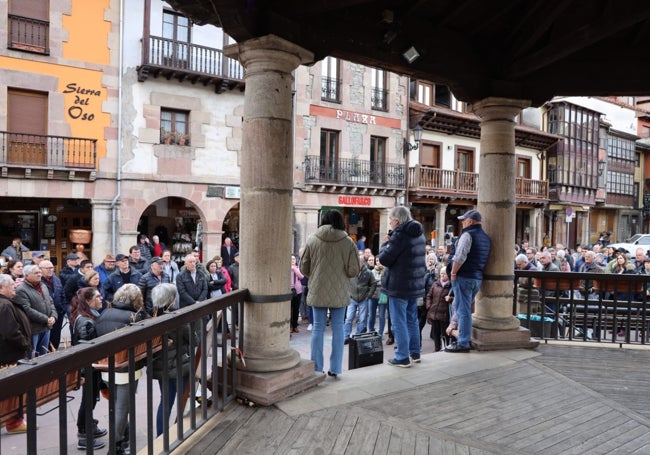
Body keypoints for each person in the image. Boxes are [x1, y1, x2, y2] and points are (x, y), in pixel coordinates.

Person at [300, 209, 359, 378]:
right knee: (338, 327)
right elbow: (353, 270)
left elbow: (304, 267)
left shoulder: (312, 239)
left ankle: (317, 367)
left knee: (318, 328)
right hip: (339, 291)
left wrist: (317, 275)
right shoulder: (348, 242)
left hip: (318, 289)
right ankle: (336, 368)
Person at [94, 284, 148, 455]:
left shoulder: (104, 313)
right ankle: (116, 446)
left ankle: (123, 436)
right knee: (122, 407)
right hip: (126, 367)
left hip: (107, 366)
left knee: (116, 404)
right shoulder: (134, 316)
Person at [378, 206, 426, 367]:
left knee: (398, 321)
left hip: (399, 285)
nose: (390, 223)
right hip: (414, 284)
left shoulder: (399, 235)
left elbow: (385, 259)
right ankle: (414, 352)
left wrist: (385, 244)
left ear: (397, 221)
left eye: (390, 219)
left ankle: (402, 356)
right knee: (412, 319)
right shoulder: (419, 234)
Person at [149, 283, 193, 437]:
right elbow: (193, 339)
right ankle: (183, 432)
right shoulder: (178, 318)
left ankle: (160, 436)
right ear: (172, 299)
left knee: (165, 401)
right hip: (180, 365)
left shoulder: (152, 316)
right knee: (184, 399)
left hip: (161, 367)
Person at [446, 209, 491, 354]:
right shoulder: (485, 237)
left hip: (464, 277)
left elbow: (460, 256)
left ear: (470, 221)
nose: (463, 223)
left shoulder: (467, 235)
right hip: (476, 278)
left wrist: (453, 272)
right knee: (462, 308)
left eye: (464, 220)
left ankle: (463, 342)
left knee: (462, 310)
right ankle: (464, 339)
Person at [70, 287, 106, 451]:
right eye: (98, 296)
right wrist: (83, 374)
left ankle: (90, 426)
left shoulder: (91, 316)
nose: (102, 298)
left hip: (92, 367)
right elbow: (84, 349)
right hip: (88, 368)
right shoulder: (86, 321)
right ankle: (83, 435)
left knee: (90, 399)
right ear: (89, 301)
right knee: (88, 400)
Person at [0, 273, 33, 434]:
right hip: (10, 355)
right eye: (11, 284)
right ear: (1, 287)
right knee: (14, 390)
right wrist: (25, 345)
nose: (15, 286)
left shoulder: (6, 302)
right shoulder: (4, 305)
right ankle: (14, 422)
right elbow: (11, 332)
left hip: (8, 354)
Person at [14, 264, 57, 356]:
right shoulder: (21, 290)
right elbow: (26, 310)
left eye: (40, 272)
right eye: (36, 273)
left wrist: (53, 316)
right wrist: (46, 319)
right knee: (32, 356)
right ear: (26, 275)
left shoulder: (43, 286)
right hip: (33, 329)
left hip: (46, 327)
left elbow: (50, 302)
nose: (39, 275)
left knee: (43, 355)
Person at [343, 253, 377, 342]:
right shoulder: (351, 271)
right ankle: (346, 336)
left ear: (362, 263)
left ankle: (358, 336)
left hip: (363, 299)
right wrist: (348, 293)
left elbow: (373, 284)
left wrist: (369, 295)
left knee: (362, 319)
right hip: (352, 298)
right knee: (349, 318)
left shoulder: (368, 273)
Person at [40, 259, 66, 349]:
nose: (50, 270)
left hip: (58, 314)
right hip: (45, 316)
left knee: (56, 338)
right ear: (40, 269)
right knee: (45, 341)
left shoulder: (56, 279)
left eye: (51, 268)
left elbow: (62, 294)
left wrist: (63, 309)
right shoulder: (38, 281)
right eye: (47, 268)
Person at [426, 268, 453, 352]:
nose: (442, 275)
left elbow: (456, 297)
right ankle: (437, 348)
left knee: (444, 333)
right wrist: (429, 306)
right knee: (435, 333)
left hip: (444, 314)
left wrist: (451, 298)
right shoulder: (435, 284)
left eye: (444, 273)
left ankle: (446, 347)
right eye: (441, 273)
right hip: (434, 313)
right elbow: (429, 296)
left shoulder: (451, 285)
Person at [367, 256, 387, 337]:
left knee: (382, 315)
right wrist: (378, 282)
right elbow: (371, 283)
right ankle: (371, 330)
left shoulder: (386, 271)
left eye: (380, 261)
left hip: (383, 296)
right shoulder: (372, 271)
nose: (379, 262)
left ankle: (380, 333)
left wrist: (377, 282)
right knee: (371, 315)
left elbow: (385, 282)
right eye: (377, 261)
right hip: (373, 296)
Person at [290, 255, 305, 333]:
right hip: (289, 291)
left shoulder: (297, 268)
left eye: (294, 259)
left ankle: (295, 326)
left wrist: (294, 268)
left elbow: (301, 276)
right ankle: (290, 326)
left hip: (298, 291)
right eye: (291, 259)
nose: (292, 260)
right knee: (289, 310)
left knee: (296, 309)